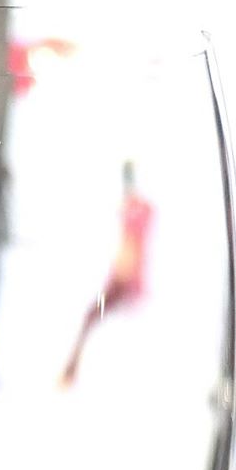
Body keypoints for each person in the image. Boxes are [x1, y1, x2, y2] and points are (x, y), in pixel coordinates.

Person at [60, 161, 156, 388]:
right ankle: (71, 372)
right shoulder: (136, 210)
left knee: (92, 318)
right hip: (126, 278)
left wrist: (124, 278)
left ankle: (71, 372)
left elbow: (132, 247)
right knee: (92, 318)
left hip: (125, 278)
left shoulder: (137, 211)